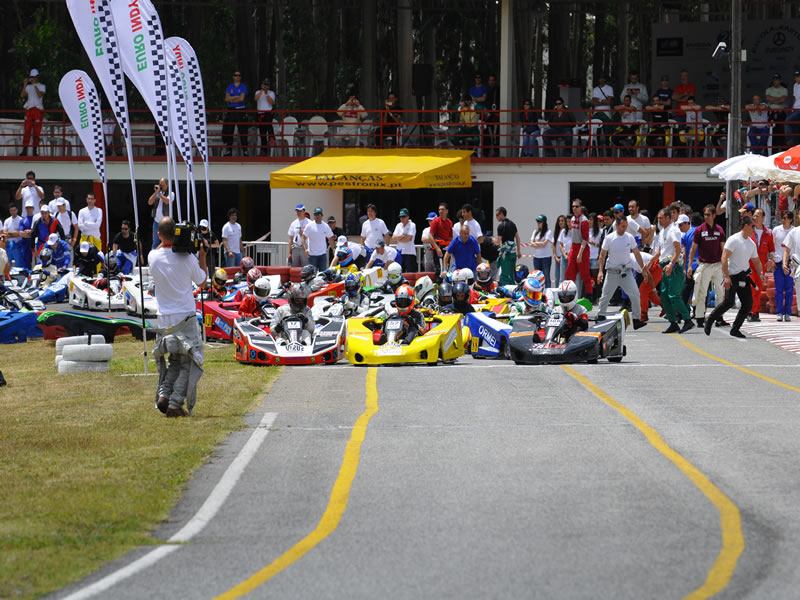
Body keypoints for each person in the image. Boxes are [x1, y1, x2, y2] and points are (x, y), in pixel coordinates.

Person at [148, 217, 207, 417]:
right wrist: (202, 255)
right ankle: (174, 404)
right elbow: (202, 283)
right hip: (185, 317)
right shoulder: (189, 258)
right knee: (190, 361)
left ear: (159, 235)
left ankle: (164, 396)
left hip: (164, 319)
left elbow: (160, 249)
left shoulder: (152, 257)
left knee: (174, 359)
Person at [704, 216, 764, 338]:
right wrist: (726, 277)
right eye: (752, 226)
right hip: (731, 275)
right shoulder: (734, 239)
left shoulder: (751, 244)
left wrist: (761, 273)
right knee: (729, 302)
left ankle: (735, 329)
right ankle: (711, 319)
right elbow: (724, 258)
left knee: (747, 304)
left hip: (743, 276)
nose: (754, 229)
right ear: (746, 226)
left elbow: (756, 261)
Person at [595, 217, 650, 330]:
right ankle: (600, 317)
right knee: (605, 296)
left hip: (626, 272)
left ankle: (636, 319)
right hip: (612, 272)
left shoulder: (629, 237)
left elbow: (637, 254)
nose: (625, 228)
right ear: (617, 225)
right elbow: (602, 255)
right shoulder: (609, 238)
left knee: (635, 294)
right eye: (623, 226)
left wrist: (643, 269)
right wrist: (600, 271)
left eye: (626, 226)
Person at [654, 207, 693, 334]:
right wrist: (650, 261)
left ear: (667, 217)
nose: (658, 220)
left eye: (660, 218)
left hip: (674, 266)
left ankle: (687, 319)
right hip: (664, 264)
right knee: (664, 295)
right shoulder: (662, 232)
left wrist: (671, 264)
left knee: (673, 294)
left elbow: (677, 250)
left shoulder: (674, 230)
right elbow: (661, 251)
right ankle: (673, 322)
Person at [687, 205, 726, 328]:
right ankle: (699, 317)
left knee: (720, 292)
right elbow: (693, 249)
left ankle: (719, 317)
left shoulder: (719, 230)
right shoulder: (699, 230)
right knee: (701, 292)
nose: (706, 217)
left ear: (714, 215)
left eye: (708, 214)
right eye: (705, 215)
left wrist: (725, 267)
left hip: (718, 265)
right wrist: (689, 266)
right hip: (705, 265)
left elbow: (723, 249)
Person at [747, 208, 775, 322]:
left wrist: (771, 260)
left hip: (761, 266)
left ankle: (755, 312)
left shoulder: (768, 233)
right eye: (754, 215)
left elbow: (772, 249)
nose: (755, 218)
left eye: (757, 216)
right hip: (749, 265)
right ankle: (751, 311)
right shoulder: (749, 230)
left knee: (757, 289)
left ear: (763, 218)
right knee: (751, 289)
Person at [565, 200, 593, 299]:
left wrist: (580, 253)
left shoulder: (584, 220)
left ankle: (589, 296)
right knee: (569, 273)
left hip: (583, 248)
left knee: (585, 275)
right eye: (573, 206)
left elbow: (585, 239)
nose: (574, 208)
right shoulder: (572, 219)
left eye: (576, 206)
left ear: (581, 207)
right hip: (574, 247)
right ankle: (570, 295)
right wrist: (570, 250)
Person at [773, 211, 795, 321]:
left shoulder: (794, 231)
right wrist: (773, 258)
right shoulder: (776, 230)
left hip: (791, 263)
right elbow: (772, 246)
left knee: (789, 289)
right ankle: (779, 312)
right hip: (778, 262)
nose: (784, 220)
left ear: (791, 219)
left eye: (786, 218)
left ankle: (787, 312)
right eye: (783, 217)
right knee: (779, 289)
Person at [19, 69, 45, 156]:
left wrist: (35, 85)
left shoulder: (42, 86)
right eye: (32, 77)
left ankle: (35, 150)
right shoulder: (28, 87)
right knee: (27, 130)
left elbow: (39, 94)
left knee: (37, 131)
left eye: (34, 77)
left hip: (38, 110)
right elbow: (22, 95)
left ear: (37, 77)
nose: (33, 78)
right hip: (29, 110)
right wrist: (25, 84)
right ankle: (24, 150)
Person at [223, 70, 249, 156]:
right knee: (229, 130)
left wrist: (232, 98)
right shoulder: (230, 86)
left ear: (240, 77)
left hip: (240, 110)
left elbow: (241, 99)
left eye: (239, 75)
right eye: (235, 75)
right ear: (233, 77)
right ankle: (229, 150)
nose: (237, 77)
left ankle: (245, 150)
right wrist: (236, 97)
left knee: (243, 130)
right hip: (231, 110)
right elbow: (226, 99)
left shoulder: (243, 86)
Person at [495, 206, 520, 285]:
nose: (496, 217)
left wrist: (492, 240)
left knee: (504, 275)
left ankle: (506, 292)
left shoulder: (501, 226)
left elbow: (497, 241)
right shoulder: (513, 224)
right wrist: (519, 251)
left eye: (497, 215)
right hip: (513, 254)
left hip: (505, 255)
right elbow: (517, 238)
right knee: (511, 274)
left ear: (502, 214)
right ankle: (513, 289)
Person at [428, 203, 453, 282]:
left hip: (446, 248)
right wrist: (437, 248)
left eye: (442, 209)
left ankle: (447, 286)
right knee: (438, 269)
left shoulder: (449, 222)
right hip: (438, 248)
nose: (440, 211)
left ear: (447, 211)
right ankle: (438, 288)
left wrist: (449, 247)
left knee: (447, 269)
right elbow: (430, 236)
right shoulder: (435, 222)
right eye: (439, 209)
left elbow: (450, 237)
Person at [148, 178, 172, 250]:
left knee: (166, 241)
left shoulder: (171, 193)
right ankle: (154, 256)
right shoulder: (157, 193)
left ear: (167, 185)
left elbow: (167, 201)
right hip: (156, 221)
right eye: (160, 185)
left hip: (165, 222)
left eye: (163, 185)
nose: (161, 187)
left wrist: (159, 194)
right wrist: (156, 193)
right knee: (155, 241)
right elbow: (150, 202)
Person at [766, 74, 788, 150]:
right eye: (774, 79)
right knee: (772, 133)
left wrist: (773, 100)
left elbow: (783, 100)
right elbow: (768, 99)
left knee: (782, 133)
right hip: (771, 113)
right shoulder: (769, 89)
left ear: (780, 80)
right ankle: (772, 152)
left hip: (781, 113)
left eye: (777, 79)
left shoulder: (784, 89)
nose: (776, 81)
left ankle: (782, 151)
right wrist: (778, 100)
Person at [254, 78, 276, 156]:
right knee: (262, 133)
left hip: (268, 113)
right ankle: (264, 151)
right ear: (261, 85)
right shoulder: (257, 92)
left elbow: (271, 102)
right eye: (264, 84)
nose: (266, 86)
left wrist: (266, 93)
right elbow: (256, 99)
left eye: (267, 84)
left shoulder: (271, 93)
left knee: (269, 125)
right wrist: (262, 91)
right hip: (260, 114)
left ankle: (272, 138)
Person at [392, 208, 417, 273]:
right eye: (401, 217)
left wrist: (399, 238)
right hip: (399, 253)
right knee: (399, 272)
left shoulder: (412, 225)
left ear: (408, 217)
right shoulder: (398, 225)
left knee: (410, 273)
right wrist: (403, 235)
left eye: (404, 216)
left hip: (409, 253)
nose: (402, 218)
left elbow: (409, 238)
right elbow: (393, 238)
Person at [484, 74, 500, 156]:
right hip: (489, 116)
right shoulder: (487, 90)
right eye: (490, 80)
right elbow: (486, 102)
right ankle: (487, 152)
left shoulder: (498, 90)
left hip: (496, 115)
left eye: (493, 80)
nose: (491, 82)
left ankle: (496, 151)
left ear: (495, 81)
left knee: (496, 134)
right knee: (488, 134)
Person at [17, 200, 36, 270]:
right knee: (25, 263)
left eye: (30, 207)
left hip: (34, 244)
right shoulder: (23, 220)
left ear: (33, 208)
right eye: (27, 208)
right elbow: (21, 233)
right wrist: (31, 233)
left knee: (35, 263)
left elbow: (37, 232)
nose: (29, 209)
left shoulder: (36, 219)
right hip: (25, 244)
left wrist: (29, 232)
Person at [2, 204, 22, 269]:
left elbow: (19, 233)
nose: (13, 212)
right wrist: (15, 233)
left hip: (17, 245)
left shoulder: (20, 220)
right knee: (8, 264)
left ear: (17, 210)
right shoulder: (7, 220)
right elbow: (4, 233)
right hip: (8, 245)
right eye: (11, 210)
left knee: (19, 264)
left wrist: (9, 233)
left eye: (14, 210)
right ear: (9, 211)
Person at [552, 214, 569, 287]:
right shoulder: (557, 232)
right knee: (557, 278)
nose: (560, 222)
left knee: (564, 278)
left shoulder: (567, 231)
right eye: (559, 221)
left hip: (565, 257)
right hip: (557, 258)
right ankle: (557, 293)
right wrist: (555, 256)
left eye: (562, 221)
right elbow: (554, 245)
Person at [785, 71, 800, 147]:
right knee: (794, 128)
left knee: (787, 121)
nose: (796, 78)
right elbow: (794, 97)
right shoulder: (795, 85)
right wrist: (792, 107)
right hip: (795, 109)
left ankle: (790, 140)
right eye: (795, 76)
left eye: (798, 76)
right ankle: (795, 145)